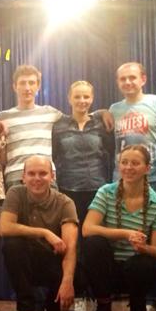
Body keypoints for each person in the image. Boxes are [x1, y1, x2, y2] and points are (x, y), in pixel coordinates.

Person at [109, 61, 156, 311]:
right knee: (138, 241)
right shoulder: (114, 109)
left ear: (143, 79)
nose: (128, 82)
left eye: (132, 77)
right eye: (122, 79)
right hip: (126, 185)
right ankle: (150, 298)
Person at [81, 145, 156, 311]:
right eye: (124, 162)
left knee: (145, 264)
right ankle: (103, 306)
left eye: (135, 163)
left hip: (134, 269)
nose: (128, 167)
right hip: (107, 269)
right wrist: (126, 234)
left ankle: (138, 306)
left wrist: (144, 248)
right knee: (93, 243)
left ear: (147, 168)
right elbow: (87, 229)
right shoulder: (106, 192)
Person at [0, 156, 79, 311]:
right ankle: (25, 308)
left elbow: (70, 247)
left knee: (74, 261)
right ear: (23, 177)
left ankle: (52, 305)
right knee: (11, 245)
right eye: (31, 174)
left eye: (43, 173)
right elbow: (5, 227)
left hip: (53, 262)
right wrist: (44, 232)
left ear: (52, 176)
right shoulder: (15, 193)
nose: (37, 178)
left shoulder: (66, 203)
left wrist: (67, 281)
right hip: (26, 260)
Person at [51, 80, 114, 223]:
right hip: (67, 188)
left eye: (86, 97)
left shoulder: (101, 124)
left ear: (92, 98)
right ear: (69, 99)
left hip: (98, 189)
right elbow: (54, 156)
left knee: (95, 233)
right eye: (77, 97)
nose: (82, 100)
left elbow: (110, 154)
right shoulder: (58, 126)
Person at [0, 65, 64, 190]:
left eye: (31, 83)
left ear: (38, 86)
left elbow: (76, 119)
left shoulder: (50, 113)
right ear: (15, 87)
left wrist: (99, 114)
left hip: (45, 176)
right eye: (22, 83)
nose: (27, 88)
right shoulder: (3, 117)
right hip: (16, 177)